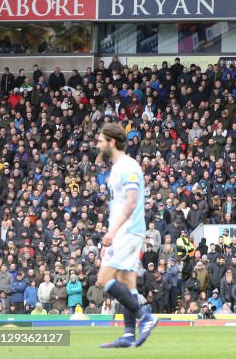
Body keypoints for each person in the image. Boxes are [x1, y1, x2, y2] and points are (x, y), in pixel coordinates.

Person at [96, 122, 157, 348]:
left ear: (112, 142)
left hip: (128, 230)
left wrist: (112, 231)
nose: (98, 145)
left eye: (101, 141)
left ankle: (145, 316)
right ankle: (129, 334)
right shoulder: (116, 168)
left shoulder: (128, 166)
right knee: (127, 284)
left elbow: (131, 203)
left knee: (103, 279)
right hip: (125, 231)